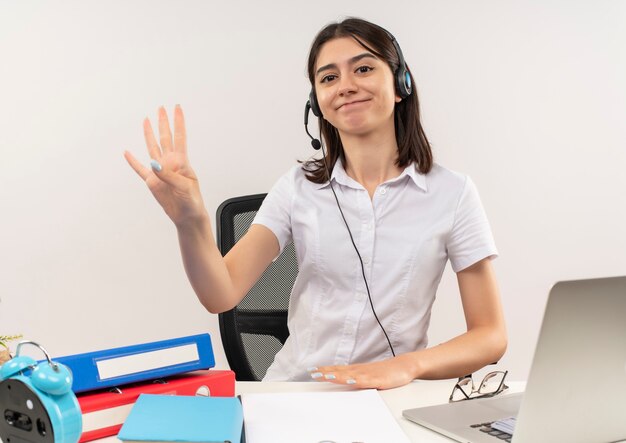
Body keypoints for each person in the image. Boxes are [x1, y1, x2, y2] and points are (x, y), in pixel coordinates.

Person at [124, 17, 507, 390]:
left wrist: (407, 367)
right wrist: (190, 222)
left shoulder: (452, 194)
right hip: (296, 392)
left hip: (387, 400)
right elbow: (220, 293)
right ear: (317, 103)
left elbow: (490, 335)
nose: (346, 86)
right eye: (329, 77)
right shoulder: (297, 188)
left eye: (363, 68)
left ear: (400, 83)